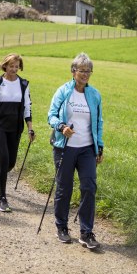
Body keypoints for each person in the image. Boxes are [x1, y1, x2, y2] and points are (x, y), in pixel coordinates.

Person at [47, 52, 104, 249]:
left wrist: (100, 147)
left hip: (87, 148)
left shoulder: (94, 94)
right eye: (82, 70)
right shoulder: (63, 92)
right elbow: (51, 115)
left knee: (89, 187)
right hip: (66, 147)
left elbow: (98, 122)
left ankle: (86, 232)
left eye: (89, 71)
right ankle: (61, 226)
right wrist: (62, 127)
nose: (85, 74)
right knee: (65, 188)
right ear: (73, 72)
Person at [0, 53, 35, 212]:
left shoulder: (23, 84)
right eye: (11, 66)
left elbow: (27, 107)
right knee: (4, 159)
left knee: (11, 163)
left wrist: (30, 128)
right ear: (5, 66)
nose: (14, 69)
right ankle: (2, 197)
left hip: (15, 127)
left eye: (17, 66)